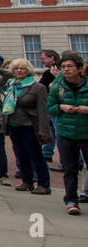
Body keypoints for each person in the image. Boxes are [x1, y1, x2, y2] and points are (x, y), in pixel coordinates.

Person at [3, 58, 52, 194]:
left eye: (22, 68)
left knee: (35, 155)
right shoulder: (11, 85)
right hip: (14, 124)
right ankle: (27, 181)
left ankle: (43, 184)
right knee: (20, 154)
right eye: (16, 68)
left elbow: (43, 110)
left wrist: (44, 130)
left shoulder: (37, 87)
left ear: (28, 71)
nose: (19, 71)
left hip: (30, 125)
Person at [48, 51, 88, 215]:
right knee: (70, 169)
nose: (66, 69)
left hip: (86, 132)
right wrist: (61, 107)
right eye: (63, 67)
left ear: (79, 68)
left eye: (70, 66)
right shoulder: (58, 87)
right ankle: (71, 200)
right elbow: (49, 107)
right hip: (66, 133)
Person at [38, 50, 62, 170]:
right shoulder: (50, 72)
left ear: (52, 58)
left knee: (59, 133)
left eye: (43, 58)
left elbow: (41, 87)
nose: (41, 61)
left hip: (56, 107)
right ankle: (46, 154)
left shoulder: (54, 72)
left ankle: (64, 161)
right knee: (50, 130)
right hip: (51, 106)